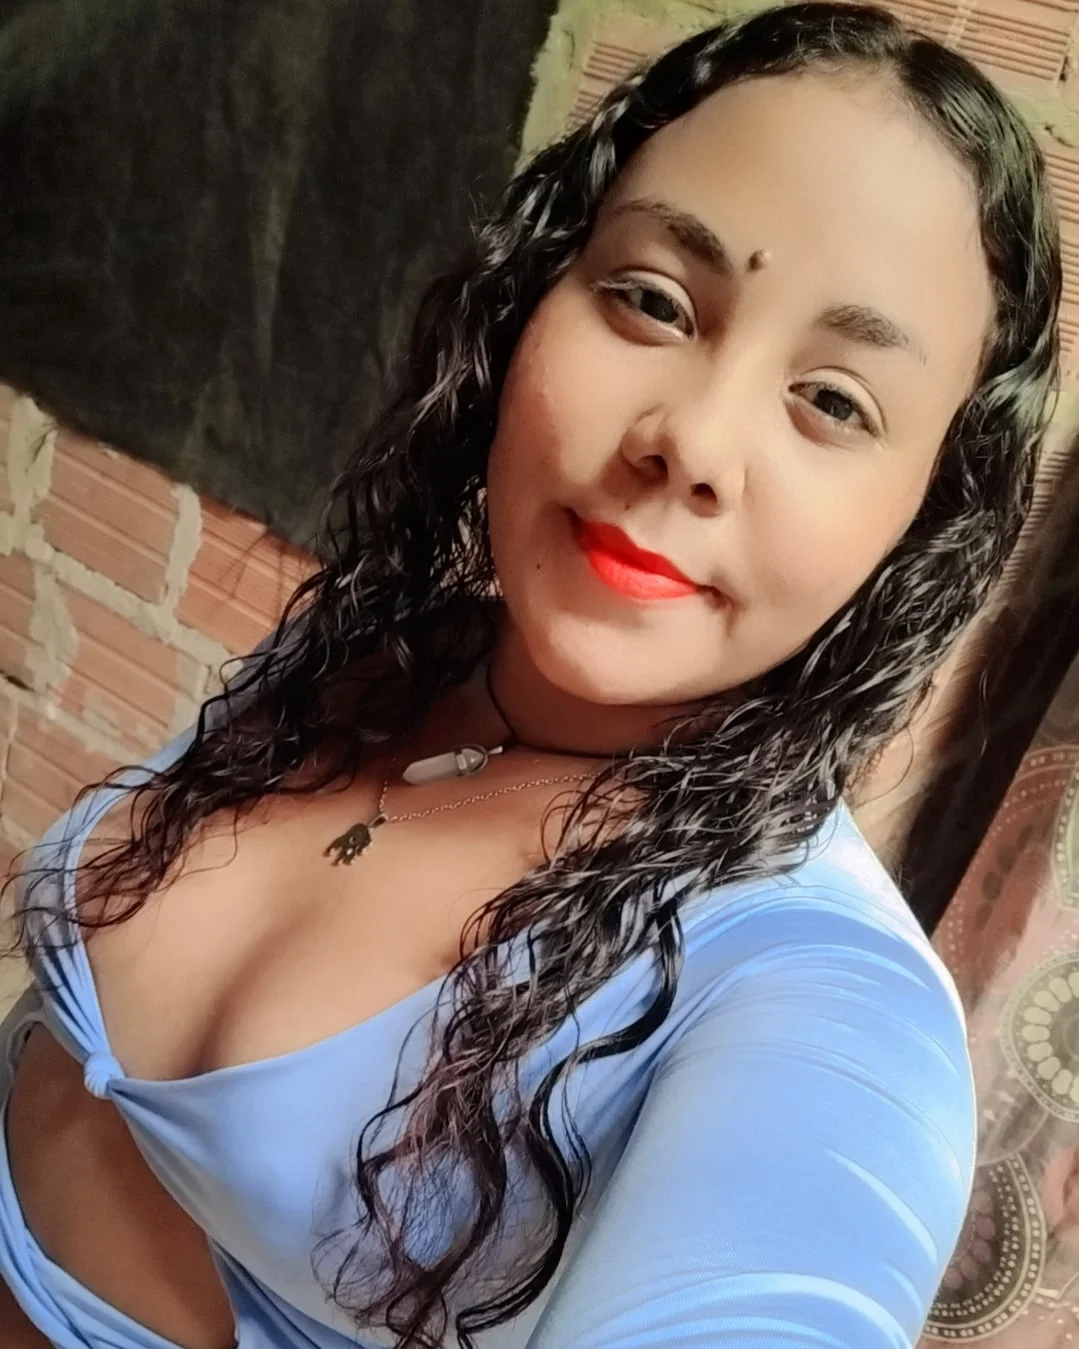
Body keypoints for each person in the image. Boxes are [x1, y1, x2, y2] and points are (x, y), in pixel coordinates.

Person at [0, 2, 1062, 1346]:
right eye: (654, 300)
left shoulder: (816, 998)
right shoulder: (382, 655)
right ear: (530, 303)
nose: (693, 441)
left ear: (917, 522)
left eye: (834, 401)